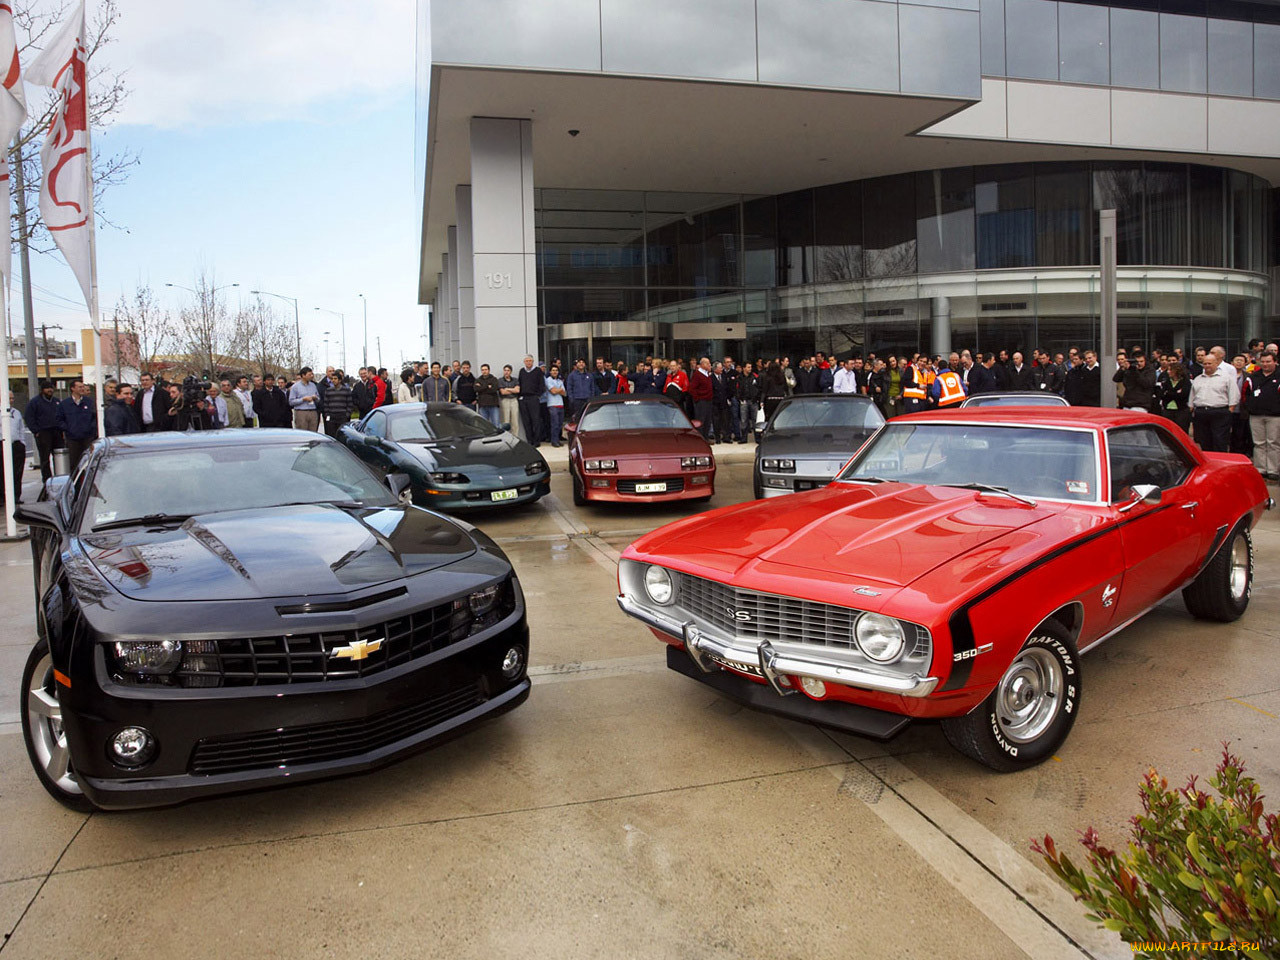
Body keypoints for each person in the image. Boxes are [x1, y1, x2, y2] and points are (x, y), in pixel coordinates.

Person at [1189, 353, 1239, 453]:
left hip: (1220, 413)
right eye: (1205, 363)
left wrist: (1230, 410)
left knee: (1219, 441)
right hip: (1201, 413)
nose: (1207, 366)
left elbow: (1234, 395)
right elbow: (1192, 396)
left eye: (1210, 363)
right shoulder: (1198, 379)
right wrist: (1191, 408)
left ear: (1216, 364)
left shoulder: (1226, 378)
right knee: (1204, 441)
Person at [1243, 352, 1280, 480]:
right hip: (1256, 415)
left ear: (1275, 362)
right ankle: (1260, 468)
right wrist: (1250, 407)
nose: (1265, 364)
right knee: (1259, 443)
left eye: (1268, 361)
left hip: (1275, 416)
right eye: (1263, 362)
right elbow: (1245, 394)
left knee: (1273, 443)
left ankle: (1273, 470)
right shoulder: (1253, 377)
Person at [24, 380, 61, 482]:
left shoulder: (57, 402)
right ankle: (47, 480)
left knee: (59, 456)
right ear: (42, 390)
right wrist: (36, 431)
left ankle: (60, 478)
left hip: (56, 432)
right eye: (47, 388)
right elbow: (29, 417)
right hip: (43, 433)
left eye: (51, 388)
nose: (50, 390)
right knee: (45, 458)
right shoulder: (35, 402)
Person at [57, 380, 97, 472]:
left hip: (88, 437)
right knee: (74, 463)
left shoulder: (89, 402)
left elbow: (95, 417)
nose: (82, 389)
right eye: (80, 387)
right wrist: (67, 429)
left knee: (89, 461)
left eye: (83, 387)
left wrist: (91, 429)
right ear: (73, 388)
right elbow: (59, 419)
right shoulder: (65, 404)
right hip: (72, 438)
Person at [1155, 359, 1191, 433]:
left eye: (1170, 370)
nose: (1168, 372)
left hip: (1181, 410)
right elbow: (1162, 394)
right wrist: (1176, 393)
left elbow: (1183, 395)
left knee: (1180, 431)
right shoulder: (1166, 382)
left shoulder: (1185, 382)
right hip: (1167, 410)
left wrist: (1169, 393)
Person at [516, 356, 545, 446]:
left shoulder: (538, 371)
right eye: (526, 361)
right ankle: (530, 441)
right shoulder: (522, 371)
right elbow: (519, 383)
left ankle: (537, 441)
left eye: (530, 361)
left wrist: (538, 395)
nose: (528, 363)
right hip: (523, 399)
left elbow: (542, 385)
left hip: (534, 398)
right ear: (524, 362)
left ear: (533, 362)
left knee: (535, 420)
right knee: (526, 421)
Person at [6, 391, 25, 505]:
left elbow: (21, 428)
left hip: (16, 445)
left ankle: (16, 496)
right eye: (9, 398)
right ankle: (3, 496)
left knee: (17, 472)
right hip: (3, 444)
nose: (12, 400)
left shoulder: (16, 413)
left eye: (12, 398)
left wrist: (22, 442)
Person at [322, 369, 354, 438]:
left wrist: (347, 415)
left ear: (339, 380)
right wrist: (327, 415)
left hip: (342, 416)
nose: (333, 380)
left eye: (335, 379)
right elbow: (326, 404)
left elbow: (350, 404)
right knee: (332, 436)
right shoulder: (328, 390)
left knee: (342, 436)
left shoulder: (346, 390)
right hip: (332, 417)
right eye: (332, 379)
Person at [288, 367, 321, 431]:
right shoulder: (295, 387)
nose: (311, 376)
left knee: (313, 432)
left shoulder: (313, 385)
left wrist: (315, 398)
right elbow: (291, 402)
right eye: (309, 374)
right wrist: (303, 399)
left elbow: (318, 398)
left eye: (312, 374)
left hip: (313, 411)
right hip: (301, 412)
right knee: (302, 432)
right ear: (303, 375)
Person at [690, 357, 714, 440]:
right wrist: (697, 399)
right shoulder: (697, 374)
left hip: (708, 400)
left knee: (707, 420)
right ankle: (700, 439)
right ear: (703, 364)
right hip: (701, 401)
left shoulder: (707, 374)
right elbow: (692, 388)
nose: (709, 365)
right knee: (701, 420)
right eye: (708, 363)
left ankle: (706, 437)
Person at [544, 364, 566, 446]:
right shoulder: (548, 380)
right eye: (553, 370)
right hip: (552, 405)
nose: (555, 372)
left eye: (556, 370)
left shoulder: (560, 381)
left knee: (560, 425)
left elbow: (564, 393)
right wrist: (560, 389)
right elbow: (552, 391)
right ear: (550, 372)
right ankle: (554, 441)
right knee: (555, 424)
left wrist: (558, 390)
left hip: (561, 404)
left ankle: (557, 440)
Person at [498, 365, 521, 436]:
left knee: (515, 421)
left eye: (508, 370)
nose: (506, 372)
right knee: (505, 421)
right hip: (505, 401)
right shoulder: (500, 380)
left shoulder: (515, 380)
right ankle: (506, 438)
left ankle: (515, 438)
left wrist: (507, 389)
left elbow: (517, 390)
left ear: (511, 371)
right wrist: (512, 389)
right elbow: (503, 392)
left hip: (514, 401)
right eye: (505, 370)